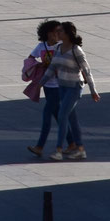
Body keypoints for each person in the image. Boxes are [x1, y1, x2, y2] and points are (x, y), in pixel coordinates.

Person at [42, 21, 100, 160]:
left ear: (67, 34)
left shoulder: (76, 50)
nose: (58, 33)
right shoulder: (59, 48)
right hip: (62, 86)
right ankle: (80, 149)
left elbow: (87, 71)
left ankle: (58, 150)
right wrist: (40, 83)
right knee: (71, 119)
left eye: (61, 31)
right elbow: (52, 68)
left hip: (74, 87)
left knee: (62, 115)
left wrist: (93, 90)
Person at [23, 20, 78, 158]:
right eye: (55, 32)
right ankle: (72, 143)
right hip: (47, 85)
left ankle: (40, 146)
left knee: (47, 114)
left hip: (60, 85)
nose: (58, 34)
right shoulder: (41, 47)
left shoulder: (62, 47)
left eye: (59, 32)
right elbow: (29, 60)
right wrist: (39, 65)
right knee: (58, 115)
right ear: (48, 33)